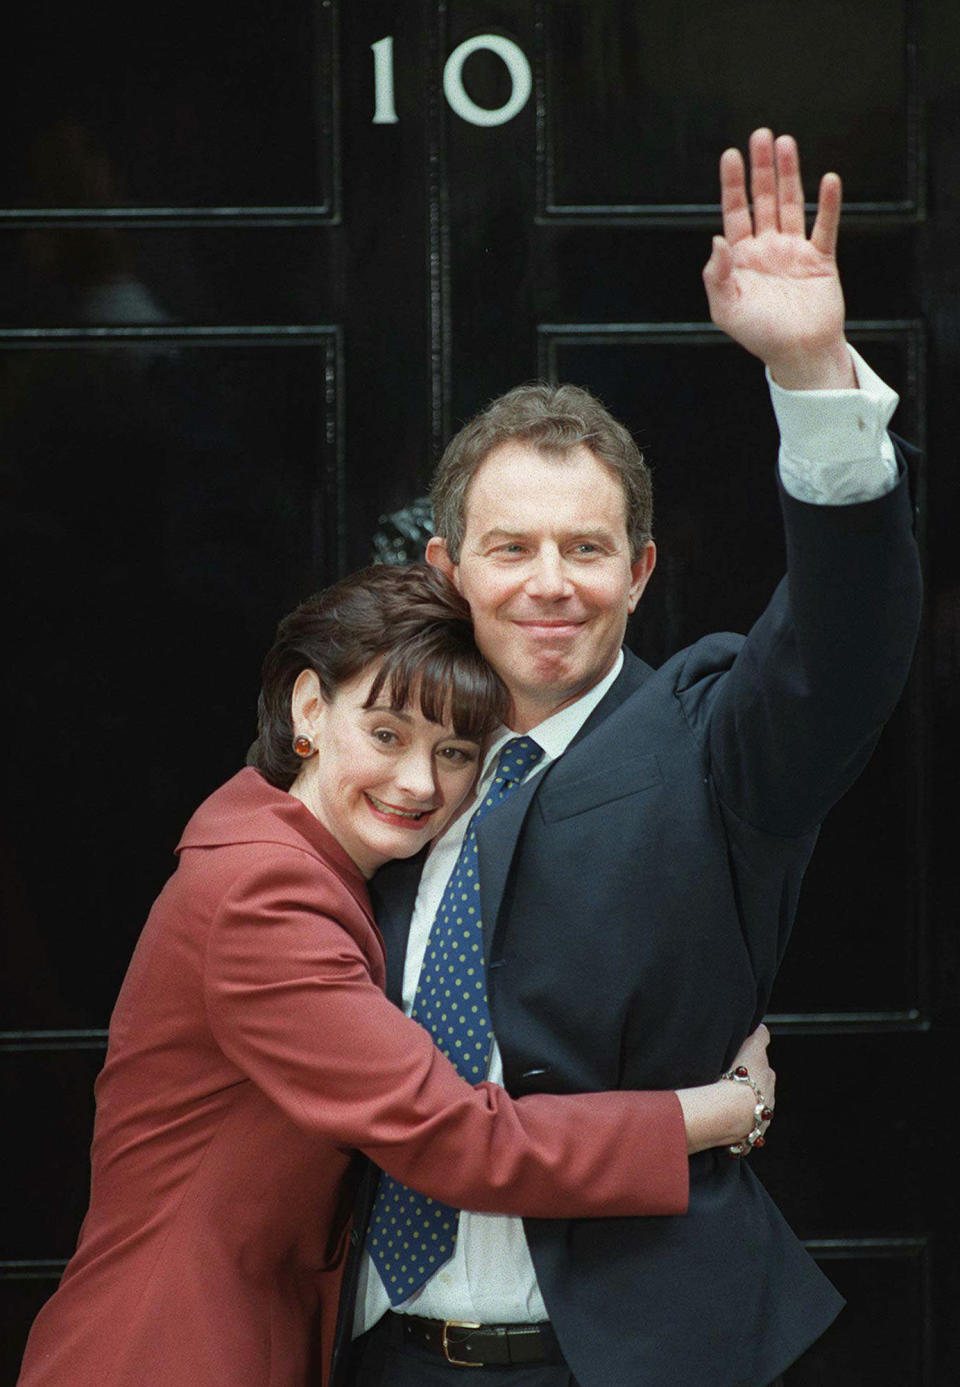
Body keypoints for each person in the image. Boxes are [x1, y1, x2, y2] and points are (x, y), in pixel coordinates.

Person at [338, 131, 923, 1387]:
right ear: (449, 574)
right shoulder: (378, 771)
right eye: (511, 550)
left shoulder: (713, 741)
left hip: (632, 1356)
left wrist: (813, 371)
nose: (552, 584)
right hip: (376, 1347)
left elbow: (843, 652)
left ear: (641, 571)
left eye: (589, 550)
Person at [16, 562, 774, 1387]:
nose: (419, 782)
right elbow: (460, 1139)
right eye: (386, 734)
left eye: (453, 751)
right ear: (309, 709)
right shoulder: (263, 896)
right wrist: (724, 1108)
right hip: (168, 1348)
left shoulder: (317, 863)